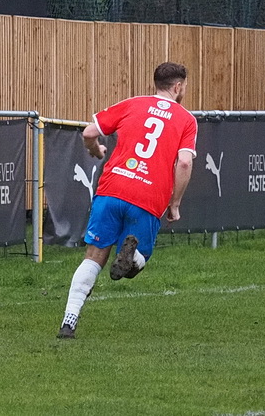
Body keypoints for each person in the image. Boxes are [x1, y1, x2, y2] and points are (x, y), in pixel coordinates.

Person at [57, 62, 197, 339]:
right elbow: (183, 163)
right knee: (137, 263)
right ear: (178, 87)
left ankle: (69, 321)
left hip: (112, 188)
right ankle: (131, 256)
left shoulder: (133, 103)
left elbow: (88, 133)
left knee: (93, 258)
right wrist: (175, 203)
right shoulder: (186, 119)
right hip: (147, 196)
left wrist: (95, 149)